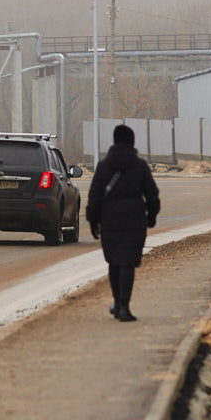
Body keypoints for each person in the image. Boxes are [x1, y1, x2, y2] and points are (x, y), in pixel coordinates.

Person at [85, 124, 161, 322]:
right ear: (132, 142)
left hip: (109, 219)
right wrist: (152, 216)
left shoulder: (103, 166)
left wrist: (93, 221)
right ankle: (124, 307)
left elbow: (94, 197)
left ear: (115, 140)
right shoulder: (140, 166)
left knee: (114, 262)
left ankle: (117, 303)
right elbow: (152, 195)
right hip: (134, 219)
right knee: (127, 262)